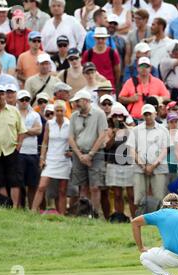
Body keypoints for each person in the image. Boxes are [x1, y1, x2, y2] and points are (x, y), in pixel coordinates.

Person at [68, 89, 109, 218]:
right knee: (83, 186)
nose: (76, 104)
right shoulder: (74, 116)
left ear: (86, 101)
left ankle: (95, 213)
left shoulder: (99, 114)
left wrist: (90, 154)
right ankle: (84, 213)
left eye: (78, 101)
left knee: (95, 186)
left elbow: (102, 135)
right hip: (78, 154)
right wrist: (80, 155)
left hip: (96, 155)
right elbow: (70, 137)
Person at [126, 104, 170, 209]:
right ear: (142, 116)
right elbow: (132, 150)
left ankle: (158, 222)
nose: (148, 116)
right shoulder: (135, 130)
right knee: (139, 199)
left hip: (159, 168)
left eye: (150, 114)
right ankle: (140, 221)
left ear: (155, 114)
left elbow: (165, 150)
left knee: (160, 198)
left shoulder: (163, 130)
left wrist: (153, 166)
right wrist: (143, 166)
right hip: (140, 168)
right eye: (145, 114)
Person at [32, 102, 71, 214]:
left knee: (62, 190)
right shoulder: (49, 123)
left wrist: (71, 153)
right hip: (51, 159)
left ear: (64, 112)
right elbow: (44, 142)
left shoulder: (69, 124)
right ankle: (33, 211)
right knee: (41, 186)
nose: (59, 113)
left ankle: (62, 215)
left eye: (61, 110)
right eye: (56, 111)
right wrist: (42, 157)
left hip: (64, 160)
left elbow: (73, 141)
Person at [105, 103, 136, 218]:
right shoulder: (109, 130)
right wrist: (114, 134)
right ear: (112, 117)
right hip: (114, 164)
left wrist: (127, 129)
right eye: (115, 116)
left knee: (131, 194)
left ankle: (134, 217)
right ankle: (119, 217)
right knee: (117, 194)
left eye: (120, 115)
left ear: (124, 117)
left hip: (128, 165)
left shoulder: (130, 129)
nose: (118, 118)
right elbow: (107, 146)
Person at [17, 90, 42, 209]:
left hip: (32, 153)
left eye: (27, 99)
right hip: (19, 152)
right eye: (22, 100)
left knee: (33, 183)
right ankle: (20, 207)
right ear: (18, 101)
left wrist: (23, 132)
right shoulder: (13, 113)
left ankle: (32, 208)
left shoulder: (34, 114)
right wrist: (29, 131)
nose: (24, 102)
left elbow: (39, 130)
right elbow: (13, 131)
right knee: (19, 183)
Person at [81, 27, 121, 91]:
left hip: (109, 87)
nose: (100, 40)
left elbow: (117, 71)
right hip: (93, 88)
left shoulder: (112, 53)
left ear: (106, 39)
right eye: (98, 38)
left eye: (102, 38)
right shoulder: (88, 53)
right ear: (94, 39)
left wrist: (114, 84)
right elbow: (83, 70)